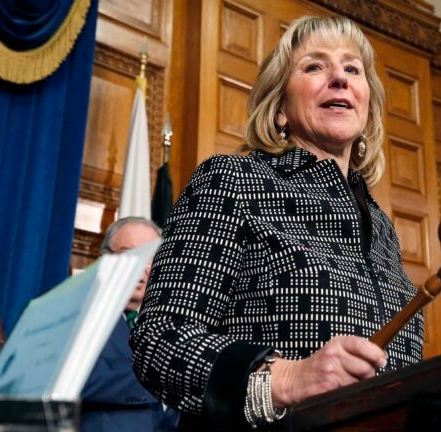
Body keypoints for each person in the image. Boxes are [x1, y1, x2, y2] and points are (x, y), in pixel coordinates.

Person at [130, 16, 423, 430]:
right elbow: (160, 339)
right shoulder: (234, 181)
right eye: (315, 66)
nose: (339, 77)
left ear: (367, 104)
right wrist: (286, 379)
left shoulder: (383, 229)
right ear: (280, 108)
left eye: (352, 68)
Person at [81, 217, 179, 432]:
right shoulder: (78, 315)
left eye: (150, 257)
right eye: (130, 254)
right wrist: (163, 376)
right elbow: (77, 381)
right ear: (105, 259)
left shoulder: (172, 325)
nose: (140, 266)